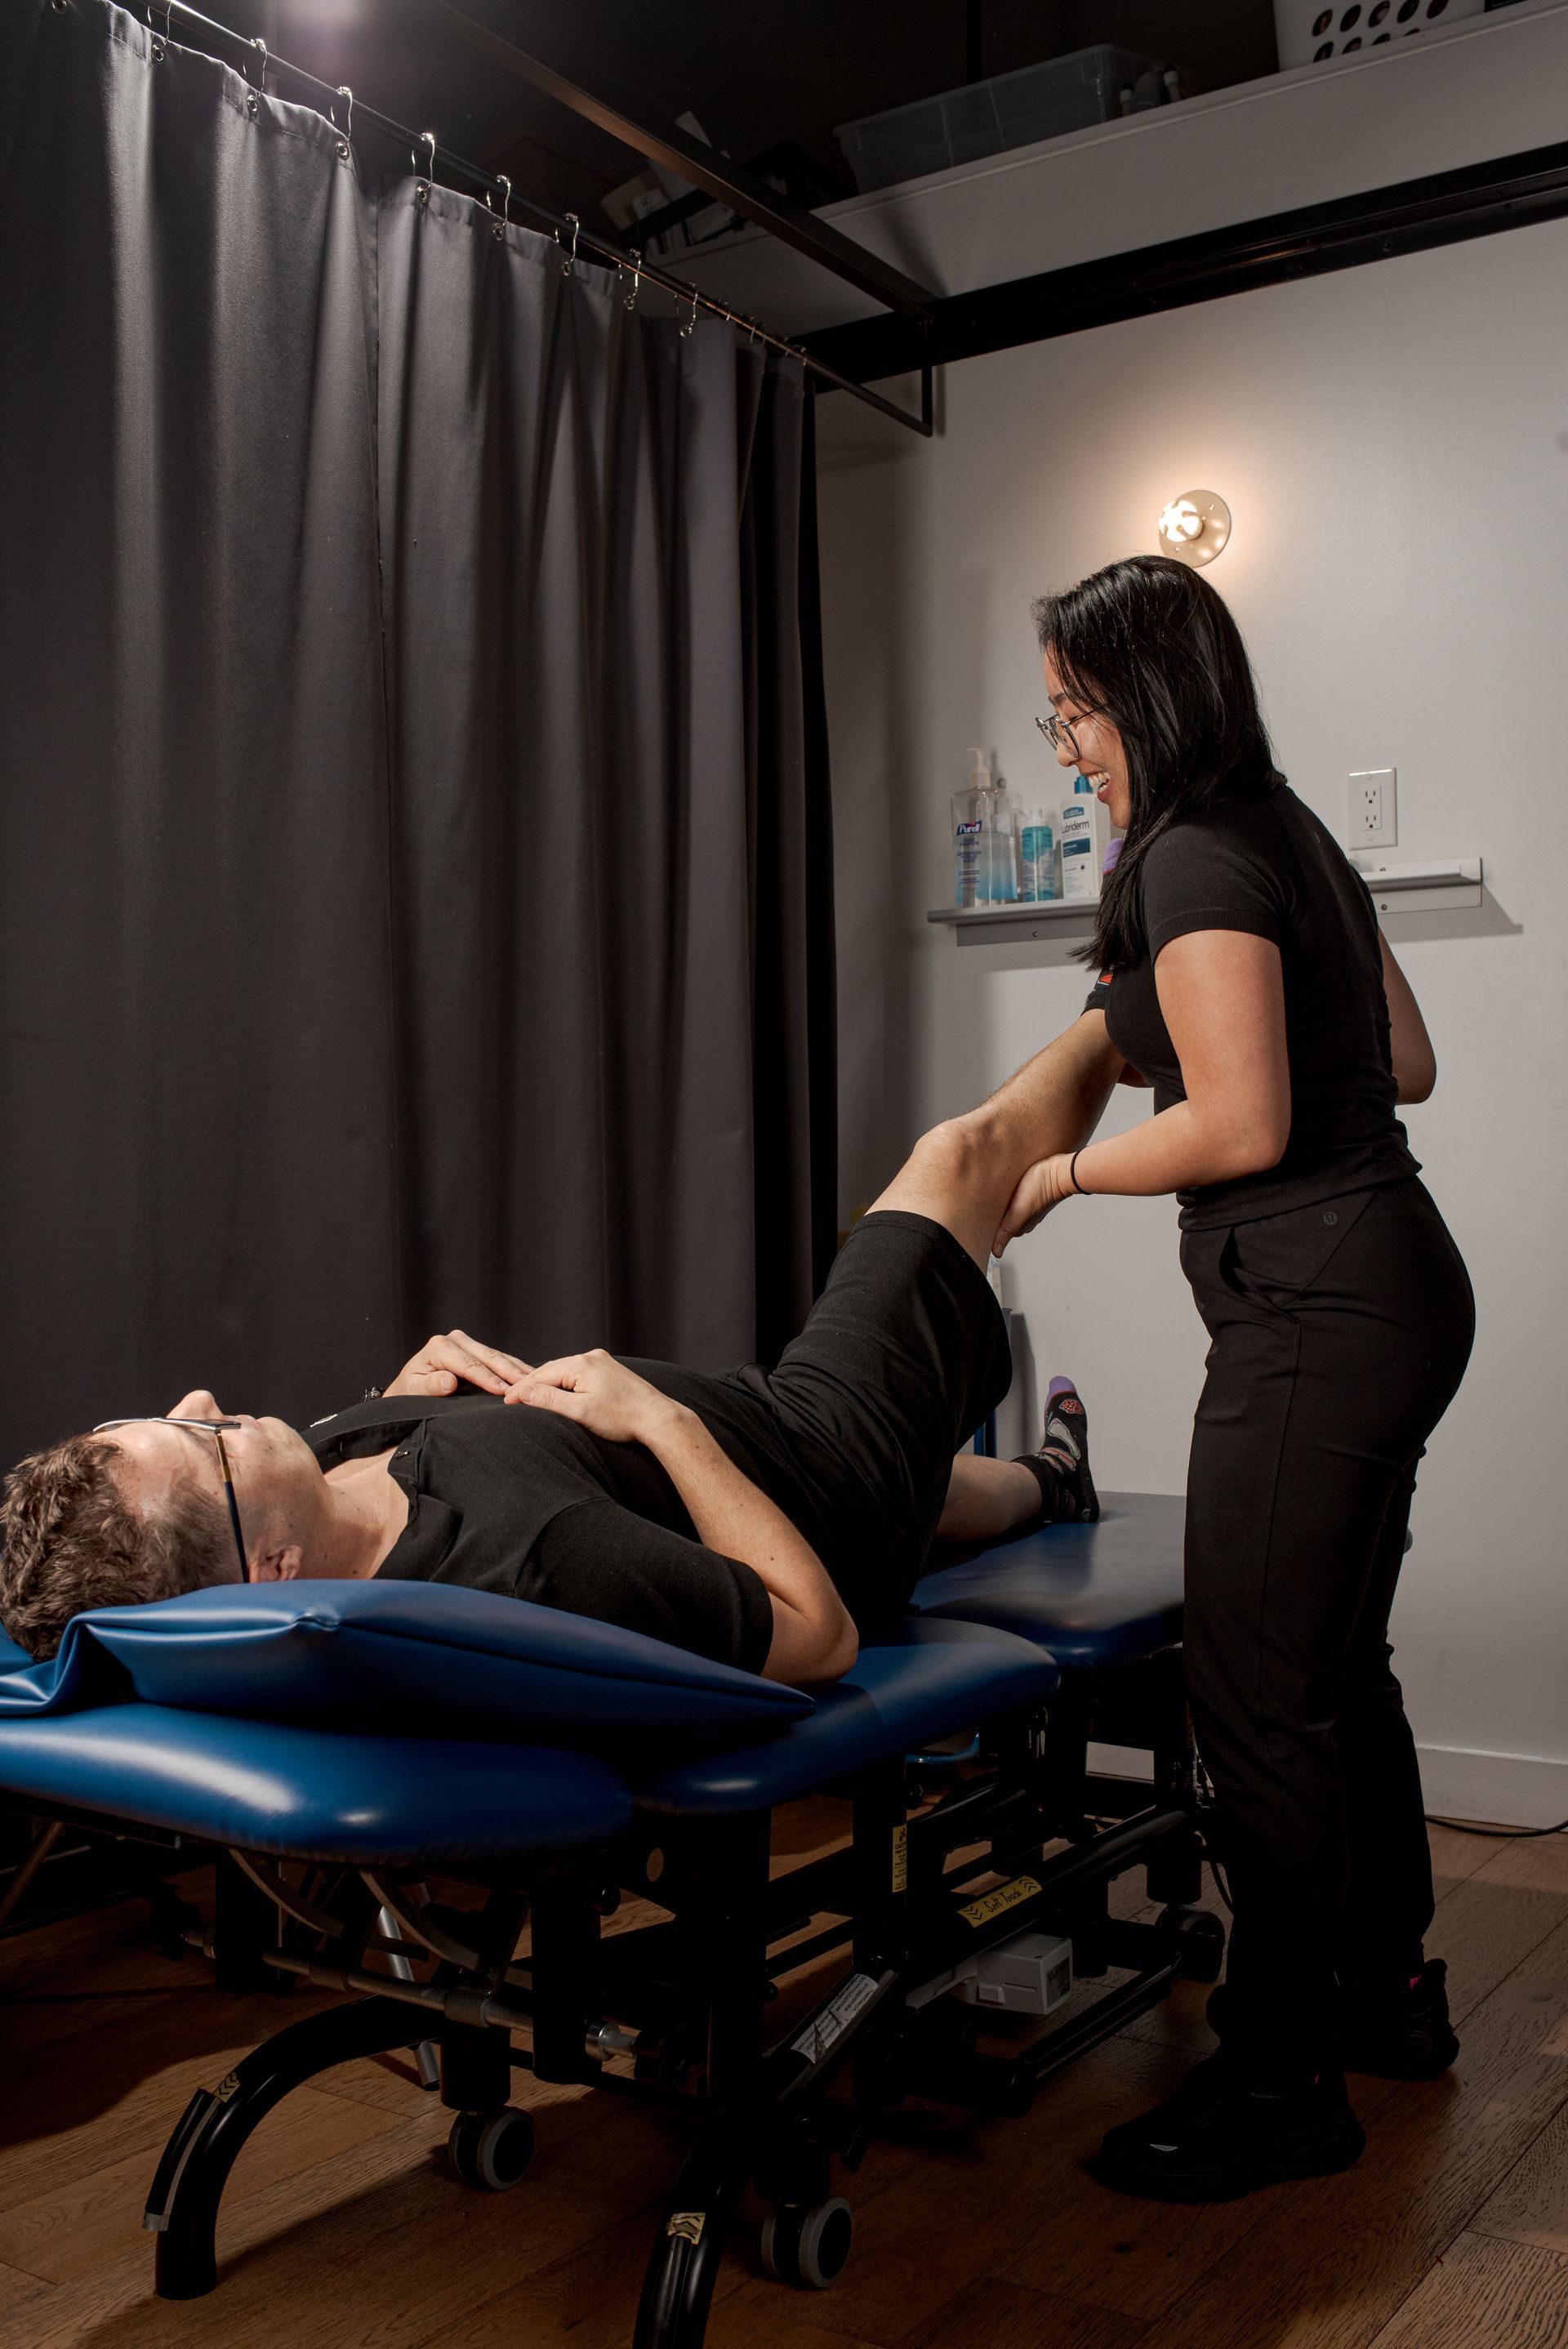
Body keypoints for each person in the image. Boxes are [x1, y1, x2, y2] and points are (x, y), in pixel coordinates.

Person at [983, 553, 1474, 2203]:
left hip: (1320, 1310)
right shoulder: (1287, 835)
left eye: (1078, 710)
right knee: (1338, 1674)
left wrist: (1057, 1179)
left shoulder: (1196, 851)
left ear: (1145, 695)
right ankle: (1388, 1997)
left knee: (1255, 1701)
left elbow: (1243, 1127)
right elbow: (1403, 1061)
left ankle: (1281, 2081)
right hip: (1392, 1284)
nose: (1066, 745)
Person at [0, 1113, 1103, 1684]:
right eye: (207, 1444)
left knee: (964, 1490)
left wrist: (400, 1408)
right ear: (272, 1570)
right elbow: (818, 1641)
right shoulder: (530, 1549)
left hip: (779, 1450)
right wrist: (668, 1425)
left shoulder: (320, 1537)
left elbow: (388, 1504)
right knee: (965, 1153)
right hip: (820, 1473)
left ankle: (1054, 1481)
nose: (202, 1397)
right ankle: (1133, 990)